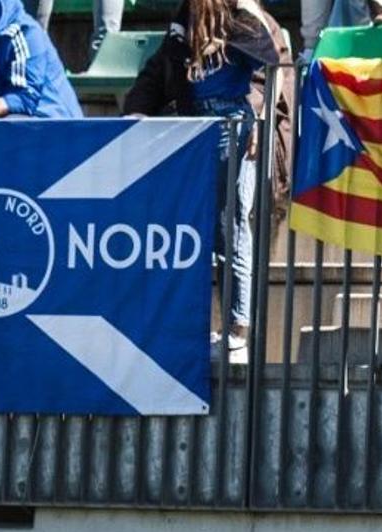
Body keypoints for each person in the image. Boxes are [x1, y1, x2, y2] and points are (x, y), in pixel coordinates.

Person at [123, 0, 291, 364]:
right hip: (196, 126)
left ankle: (238, 331)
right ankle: (207, 327)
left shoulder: (244, 16)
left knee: (232, 228)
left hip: (233, 123)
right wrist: (137, 108)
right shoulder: (186, 18)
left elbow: (275, 68)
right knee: (204, 231)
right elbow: (162, 68)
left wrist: (261, 122)